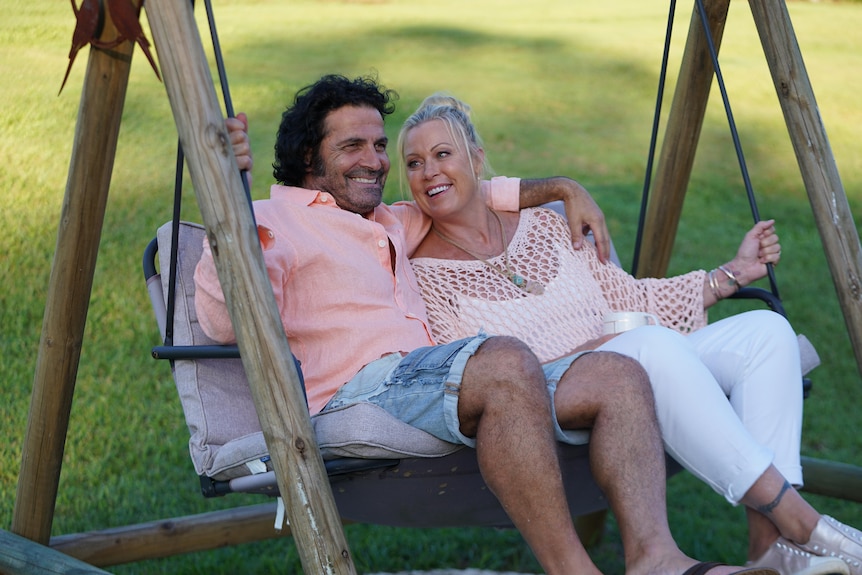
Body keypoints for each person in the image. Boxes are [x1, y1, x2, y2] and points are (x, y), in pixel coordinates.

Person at [196, 74, 776, 575]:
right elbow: (225, 319)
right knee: (501, 359)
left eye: (379, 145)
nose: (375, 160)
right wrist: (231, 197)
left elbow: (472, 188)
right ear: (309, 159)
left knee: (617, 374)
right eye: (353, 146)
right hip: (359, 394)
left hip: (430, 383)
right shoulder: (271, 220)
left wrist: (562, 189)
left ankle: (658, 560)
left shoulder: (392, 220)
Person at [398, 92, 862, 575]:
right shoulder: (424, 272)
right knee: (646, 346)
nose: (428, 171)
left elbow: (632, 302)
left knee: (766, 333)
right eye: (413, 162)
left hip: (640, 353)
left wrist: (734, 272)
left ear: (476, 160)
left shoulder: (549, 225)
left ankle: (769, 547)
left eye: (442, 154)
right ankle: (802, 522)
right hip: (555, 392)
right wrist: (596, 348)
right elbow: (475, 372)